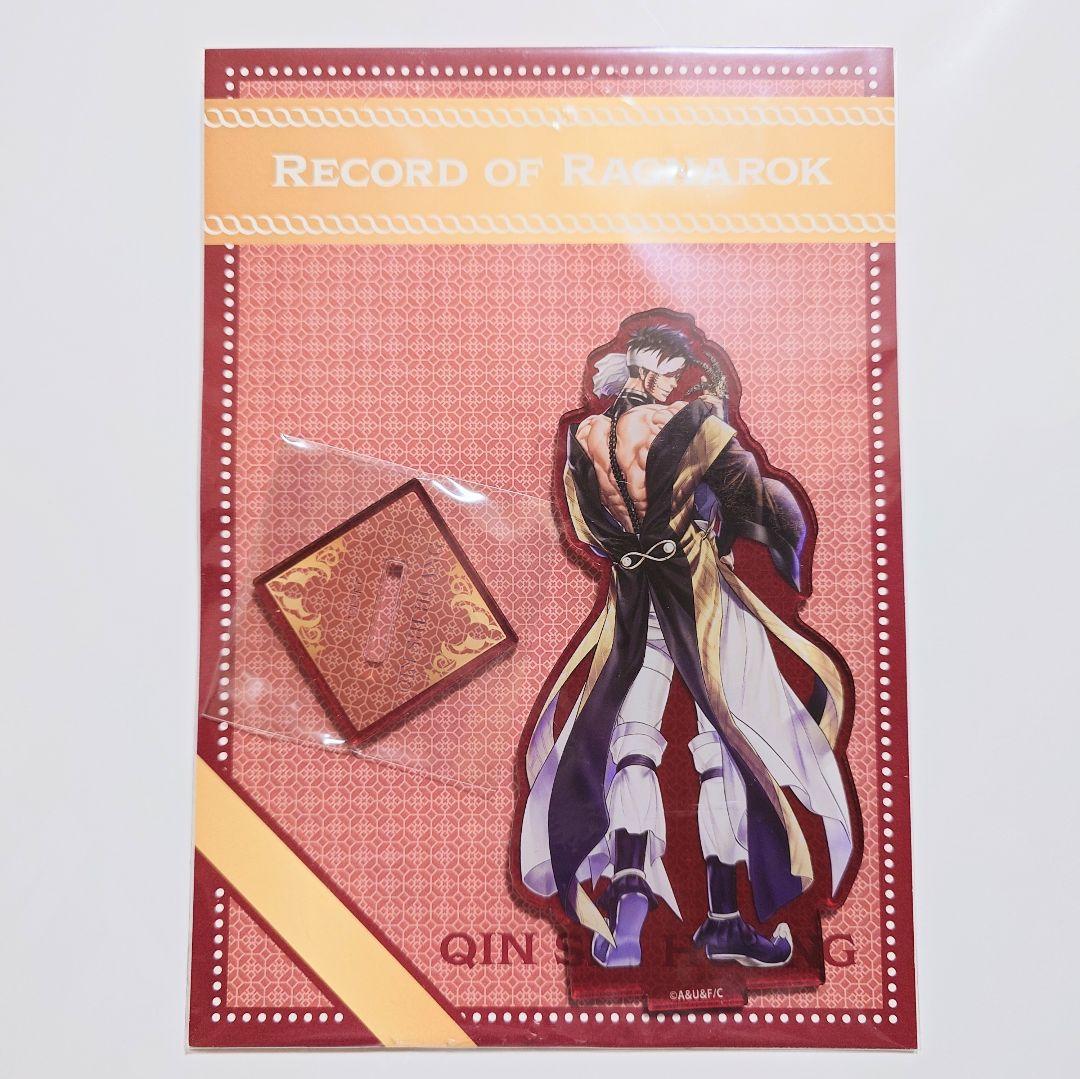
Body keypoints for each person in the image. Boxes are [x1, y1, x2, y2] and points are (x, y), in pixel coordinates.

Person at [519, 317, 854, 968]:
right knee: (723, 740)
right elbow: (750, 492)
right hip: (696, 590)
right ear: (651, 370)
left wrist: (635, 547)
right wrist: (764, 541)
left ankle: (626, 909)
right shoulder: (678, 421)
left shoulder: (584, 436)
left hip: (633, 595)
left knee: (633, 740)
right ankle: (723, 916)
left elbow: (587, 530)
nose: (674, 385)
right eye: (670, 374)